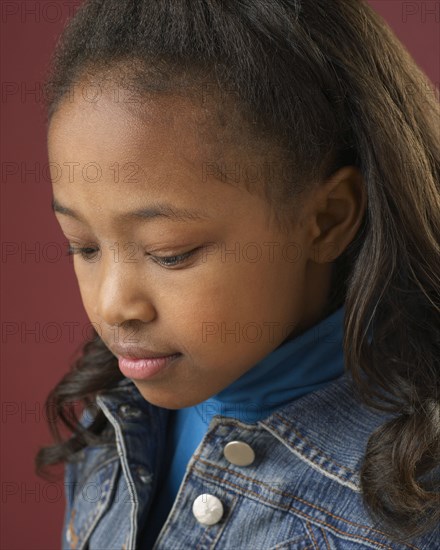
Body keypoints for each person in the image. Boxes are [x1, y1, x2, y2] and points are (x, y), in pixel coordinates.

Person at [36, 0, 439, 548]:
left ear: (327, 219)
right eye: (82, 247)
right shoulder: (111, 422)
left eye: (170, 252)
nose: (112, 305)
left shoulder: (414, 502)